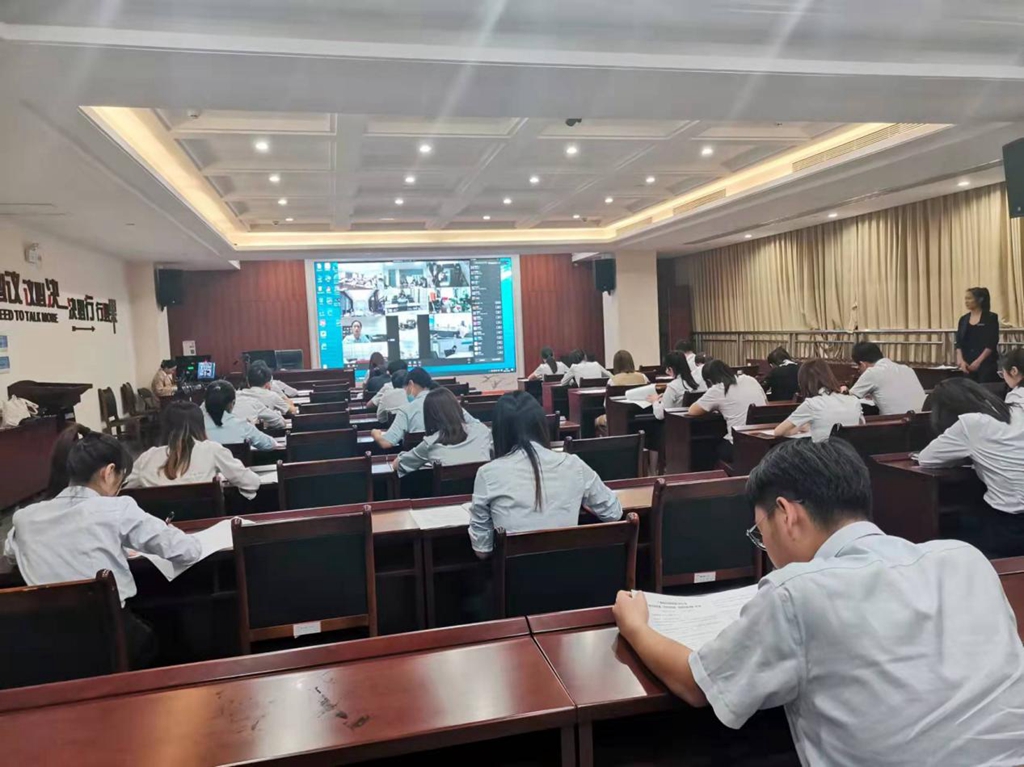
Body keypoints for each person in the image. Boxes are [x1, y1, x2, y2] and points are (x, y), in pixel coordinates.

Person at [611, 438, 1024, 767]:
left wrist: (635, 625)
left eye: (760, 533)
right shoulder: (966, 560)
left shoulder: (796, 592)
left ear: (786, 514)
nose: (766, 547)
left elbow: (695, 684)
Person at [4, 426, 202, 668]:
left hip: (46, 642)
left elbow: (10, 553)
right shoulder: (117, 509)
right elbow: (186, 551)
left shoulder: (25, 518)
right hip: (109, 638)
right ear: (108, 473)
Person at [469, 392, 622, 556]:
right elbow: (613, 513)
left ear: (498, 432)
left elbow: (482, 551)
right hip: (571, 569)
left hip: (516, 572)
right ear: (541, 426)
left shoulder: (487, 474)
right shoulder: (573, 465)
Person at [916, 378, 1024, 557]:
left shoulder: (971, 423)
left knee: (955, 530)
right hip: (1013, 523)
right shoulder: (1017, 410)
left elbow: (926, 459)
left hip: (1010, 526)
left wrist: (966, 456)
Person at [126, 401, 261, 500]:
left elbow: (120, 488)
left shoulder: (147, 458)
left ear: (165, 428)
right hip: (208, 526)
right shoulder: (212, 450)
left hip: (159, 528)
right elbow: (251, 482)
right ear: (200, 426)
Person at [392, 388, 493, 477]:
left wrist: (403, 455)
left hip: (448, 493)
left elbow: (397, 465)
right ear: (458, 409)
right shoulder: (482, 430)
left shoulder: (430, 443)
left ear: (429, 416)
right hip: (483, 491)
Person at [371, 367, 478, 449]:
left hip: (419, 465)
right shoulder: (449, 402)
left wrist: (375, 433)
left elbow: (386, 443)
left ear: (411, 384)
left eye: (406, 389)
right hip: (453, 460)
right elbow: (476, 425)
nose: (406, 393)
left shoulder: (406, 410)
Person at [688, 360, 767, 459]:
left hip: (738, 444)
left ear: (709, 381)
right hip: (763, 441)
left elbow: (692, 411)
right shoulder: (750, 379)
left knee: (708, 448)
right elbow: (765, 402)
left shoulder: (718, 389)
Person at [774, 359, 863, 442]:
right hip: (850, 451)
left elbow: (778, 432)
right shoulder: (854, 400)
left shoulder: (812, 404)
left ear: (804, 382)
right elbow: (860, 424)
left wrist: (797, 428)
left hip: (822, 452)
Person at [845, 341, 926, 415]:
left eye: (858, 367)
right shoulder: (907, 369)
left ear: (863, 364)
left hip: (896, 423)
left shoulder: (872, 372)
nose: (859, 371)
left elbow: (849, 400)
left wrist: (844, 390)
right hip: (923, 422)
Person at [202, 380, 276, 451]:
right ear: (232, 403)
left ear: (205, 403)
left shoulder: (197, 428)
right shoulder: (243, 426)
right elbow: (270, 444)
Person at [955, 286, 1000, 383]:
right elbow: (958, 342)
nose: (966, 302)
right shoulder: (963, 319)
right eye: (965, 299)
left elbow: (991, 343)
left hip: (986, 364)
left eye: (969, 298)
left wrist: (978, 361)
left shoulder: (990, 317)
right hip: (967, 364)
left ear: (980, 299)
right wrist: (961, 360)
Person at [649, 351, 702, 420]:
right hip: (694, 422)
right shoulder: (696, 382)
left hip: (676, 423)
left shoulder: (673, 387)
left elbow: (660, 415)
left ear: (670, 369)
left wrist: (654, 401)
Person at [1000, 347, 1024, 414]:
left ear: (1014, 371)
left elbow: (1010, 419)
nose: (1004, 378)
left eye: (1002, 373)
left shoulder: (1016, 396)